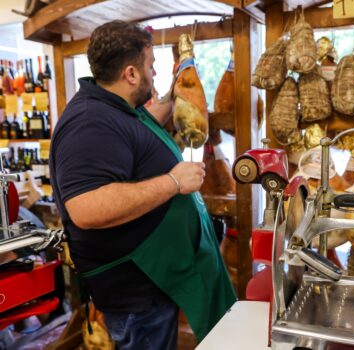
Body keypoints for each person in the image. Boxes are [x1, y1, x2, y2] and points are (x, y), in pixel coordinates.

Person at [50, 20, 236, 349]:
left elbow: (148, 124)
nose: (155, 74)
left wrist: (180, 85)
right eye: (151, 67)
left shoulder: (119, 107)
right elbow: (86, 208)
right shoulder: (89, 122)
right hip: (135, 291)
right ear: (131, 74)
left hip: (153, 281)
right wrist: (173, 181)